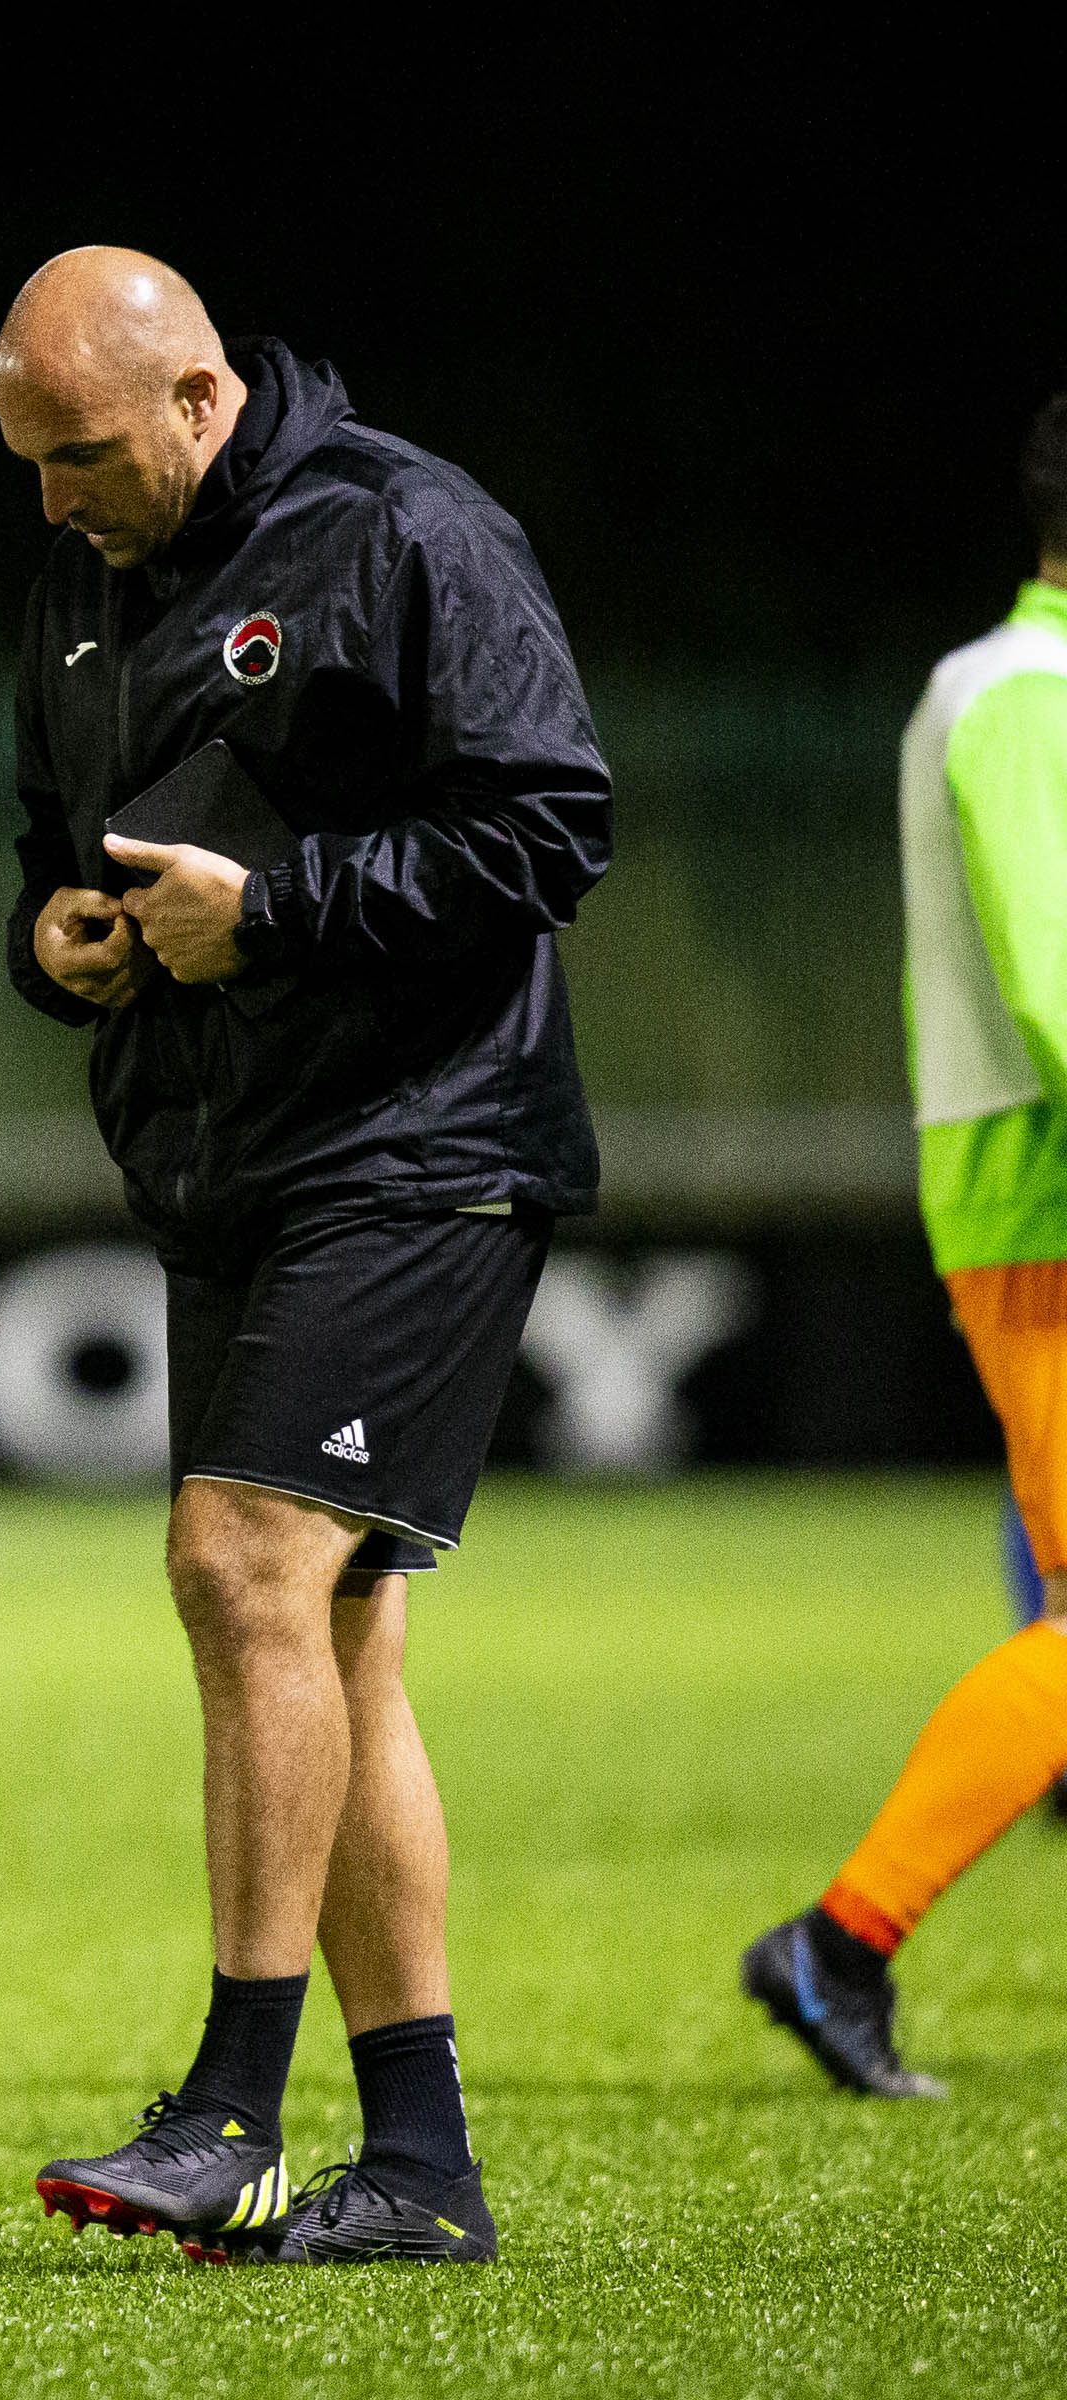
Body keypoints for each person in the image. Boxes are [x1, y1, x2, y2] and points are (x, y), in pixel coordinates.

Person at [0, 248, 612, 2265]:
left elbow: (547, 828)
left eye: (83, 454)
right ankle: (421, 2172)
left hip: (421, 1144)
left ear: (199, 402)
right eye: (27, 462)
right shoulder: (85, 573)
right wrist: (59, 944)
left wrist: (276, 911)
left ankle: (228, 2107)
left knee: (237, 1559)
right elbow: (50, 848)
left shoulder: (410, 529)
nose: (58, 500)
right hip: (230, 1164)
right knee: (330, 1636)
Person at [744, 392, 1067, 2095]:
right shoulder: (1026, 697)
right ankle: (845, 1935)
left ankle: (844, 1942)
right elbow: (1057, 970)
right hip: (1053, 1204)